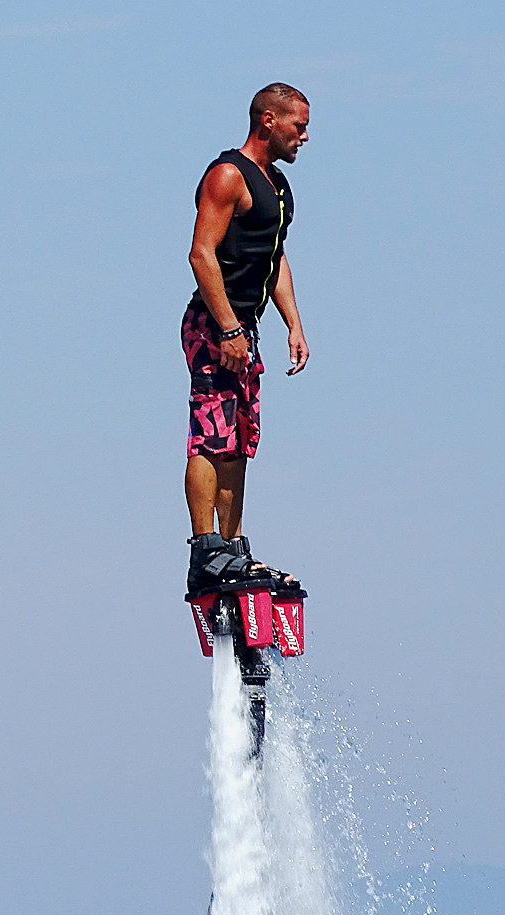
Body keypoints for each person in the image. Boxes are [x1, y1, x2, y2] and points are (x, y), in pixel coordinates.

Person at [182, 83, 310, 597]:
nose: (305, 136)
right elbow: (201, 254)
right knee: (211, 435)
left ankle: (232, 551)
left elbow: (272, 256)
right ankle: (205, 549)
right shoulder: (227, 175)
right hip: (214, 325)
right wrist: (229, 328)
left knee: (238, 442)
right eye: (299, 125)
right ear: (269, 121)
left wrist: (293, 323)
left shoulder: (277, 187)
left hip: (245, 329)